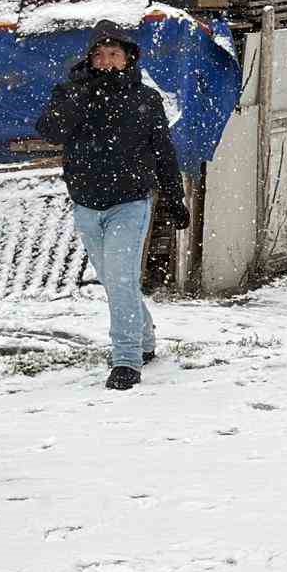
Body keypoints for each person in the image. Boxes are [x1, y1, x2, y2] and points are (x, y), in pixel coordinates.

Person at [35, 21, 189, 391]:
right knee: (113, 281)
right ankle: (146, 340)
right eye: (99, 55)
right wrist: (78, 95)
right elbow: (49, 131)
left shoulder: (145, 100)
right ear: (90, 60)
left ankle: (126, 359)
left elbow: (164, 153)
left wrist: (173, 197)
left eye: (114, 54)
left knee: (121, 279)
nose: (106, 61)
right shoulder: (73, 92)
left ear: (128, 58)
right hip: (86, 204)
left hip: (130, 202)